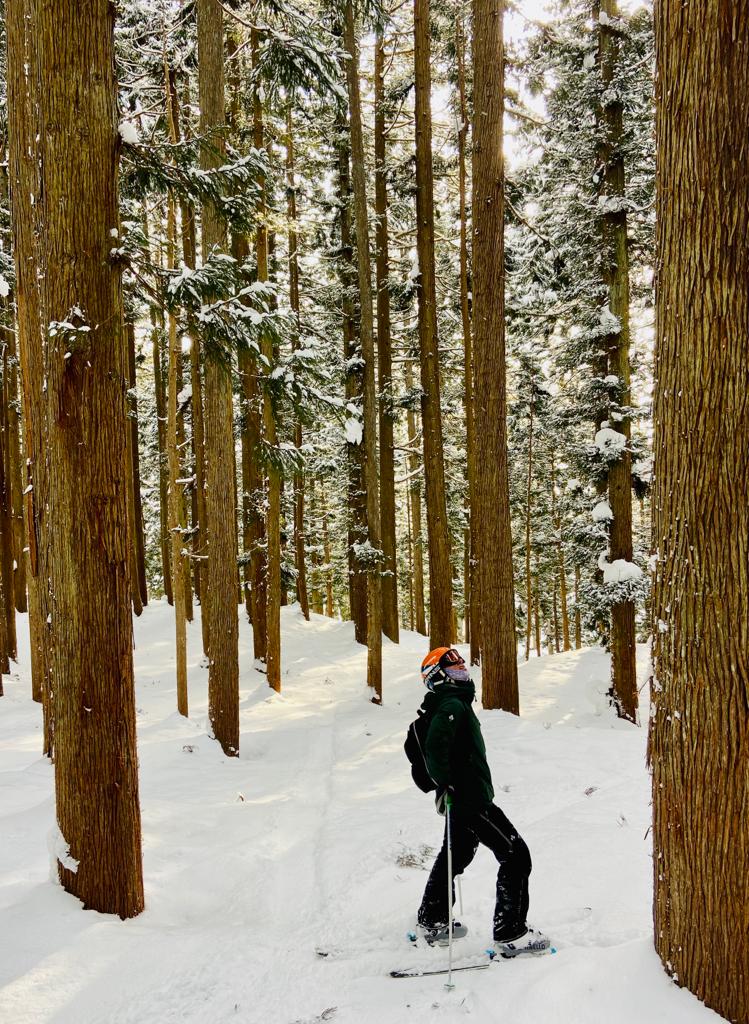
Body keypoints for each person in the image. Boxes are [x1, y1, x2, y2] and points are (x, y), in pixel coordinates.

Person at [415, 646, 549, 956]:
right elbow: (435, 750)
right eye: (452, 664)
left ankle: (432, 918)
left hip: (465, 797)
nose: (461, 666)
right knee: (516, 855)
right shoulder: (452, 704)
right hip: (470, 800)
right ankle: (510, 932)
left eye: (460, 660)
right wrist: (450, 784)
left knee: (456, 853)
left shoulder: (455, 702)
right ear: (439, 675)